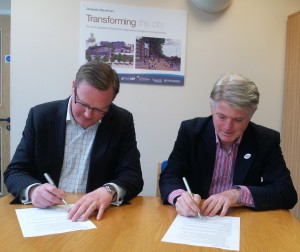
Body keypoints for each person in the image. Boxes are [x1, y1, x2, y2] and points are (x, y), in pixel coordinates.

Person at [4, 60, 143, 221]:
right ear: (73, 87)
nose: (88, 114)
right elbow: (15, 171)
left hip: (94, 217)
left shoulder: (121, 120)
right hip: (46, 214)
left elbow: (133, 176)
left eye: (100, 110)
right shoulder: (41, 116)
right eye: (83, 104)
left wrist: (109, 191)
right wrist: (33, 191)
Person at [159, 73, 297, 218]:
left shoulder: (266, 140)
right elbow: (170, 175)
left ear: (250, 116)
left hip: (242, 219)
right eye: (221, 116)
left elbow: (286, 192)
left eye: (238, 119)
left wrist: (238, 194)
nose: (227, 127)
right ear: (211, 108)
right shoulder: (191, 131)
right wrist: (179, 198)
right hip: (198, 217)